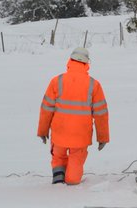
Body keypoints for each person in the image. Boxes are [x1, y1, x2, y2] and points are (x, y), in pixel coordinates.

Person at [36, 47, 110, 186]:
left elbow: (46, 109)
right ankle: (70, 183)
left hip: (59, 133)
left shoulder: (56, 81)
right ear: (87, 63)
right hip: (80, 136)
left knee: (58, 157)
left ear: (70, 60)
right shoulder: (94, 85)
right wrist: (103, 138)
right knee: (74, 175)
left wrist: (42, 131)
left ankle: (58, 181)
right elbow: (101, 114)